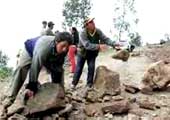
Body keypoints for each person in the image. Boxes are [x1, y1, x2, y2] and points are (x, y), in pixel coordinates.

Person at [2, 32, 73, 108]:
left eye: (67, 47)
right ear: (56, 42)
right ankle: (10, 97)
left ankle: (60, 93)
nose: (65, 49)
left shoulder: (63, 50)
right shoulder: (43, 49)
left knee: (59, 71)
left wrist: (60, 90)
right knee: (21, 68)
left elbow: (58, 68)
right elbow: (35, 66)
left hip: (49, 54)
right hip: (30, 50)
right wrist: (31, 87)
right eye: (63, 46)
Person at [71, 18, 118, 89]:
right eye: (91, 22)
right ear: (86, 25)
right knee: (79, 68)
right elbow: (87, 45)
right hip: (82, 53)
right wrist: (99, 46)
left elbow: (105, 39)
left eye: (93, 22)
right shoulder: (82, 33)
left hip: (92, 53)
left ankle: (89, 85)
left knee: (91, 67)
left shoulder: (97, 31)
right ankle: (74, 84)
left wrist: (114, 44)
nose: (93, 23)